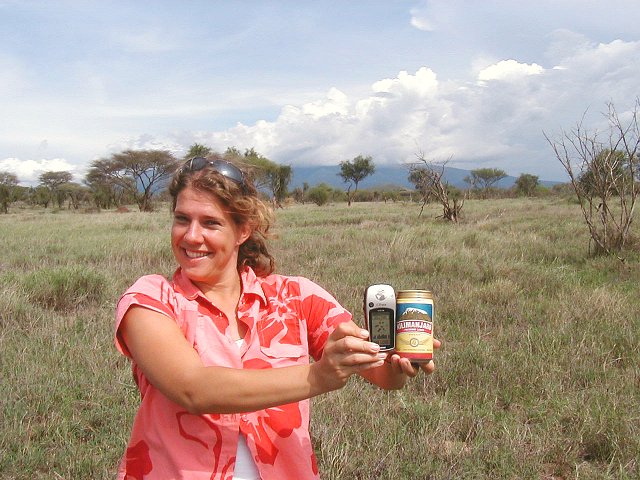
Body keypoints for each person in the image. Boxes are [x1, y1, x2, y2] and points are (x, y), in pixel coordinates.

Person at [114, 154, 441, 480]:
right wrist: (318, 376)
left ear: (243, 230)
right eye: (182, 219)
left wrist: (400, 361)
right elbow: (193, 389)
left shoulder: (297, 298)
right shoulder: (150, 299)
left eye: (210, 222)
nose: (190, 236)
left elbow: (382, 376)